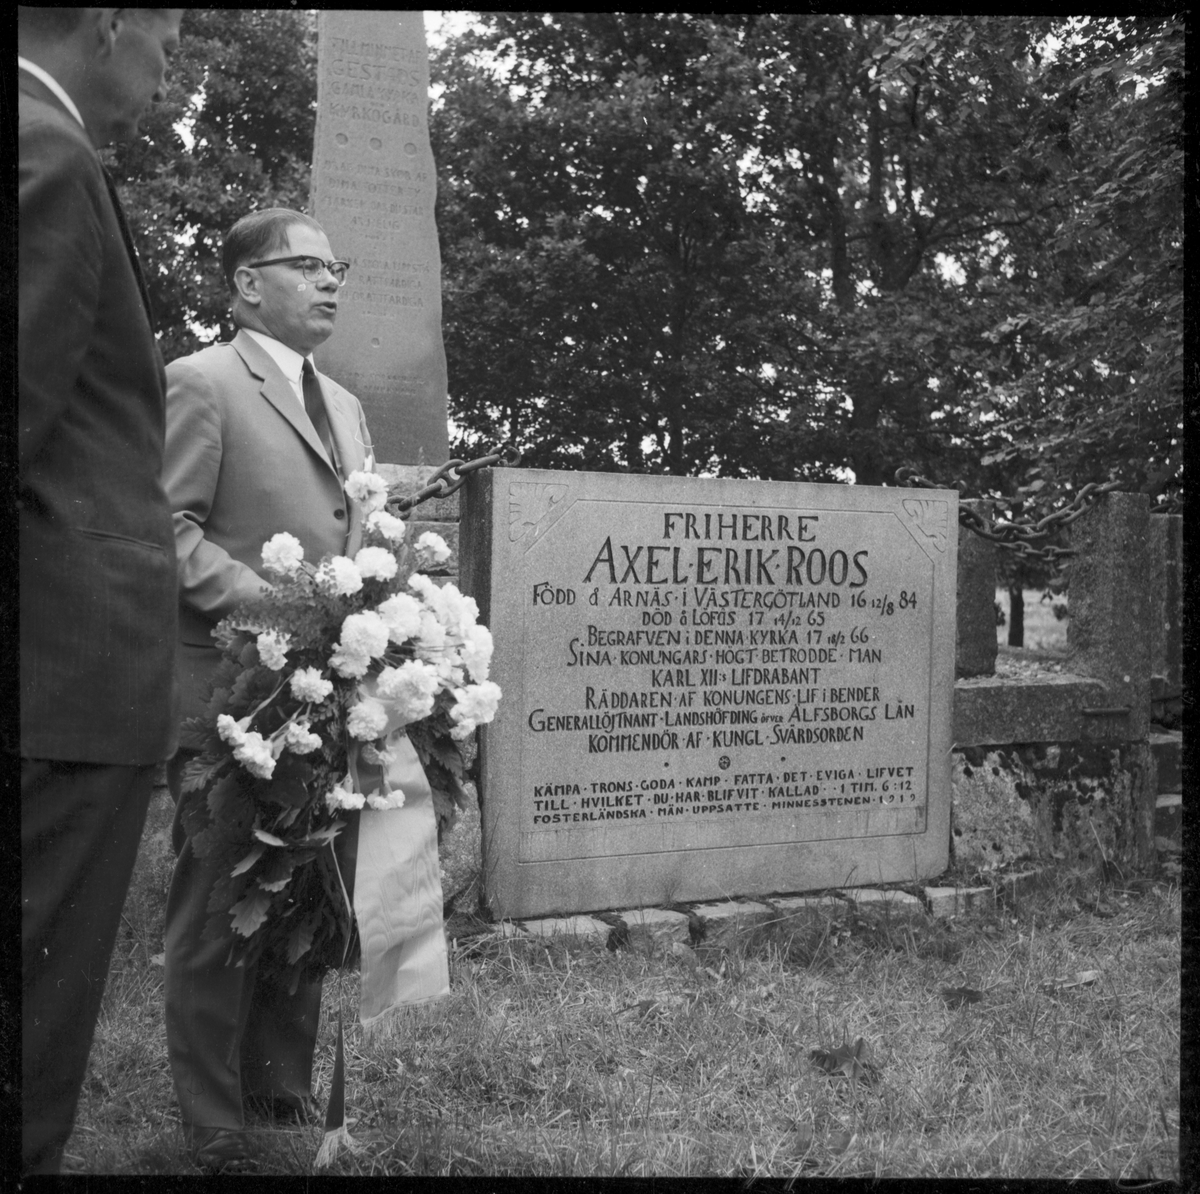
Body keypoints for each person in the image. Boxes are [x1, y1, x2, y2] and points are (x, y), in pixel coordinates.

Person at [161, 208, 375, 1173]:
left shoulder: (347, 403)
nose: (331, 282)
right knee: (221, 894)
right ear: (248, 283)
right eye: (308, 266)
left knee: (305, 885)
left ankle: (277, 1088)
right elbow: (168, 531)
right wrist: (284, 613)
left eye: (337, 267)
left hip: (325, 691)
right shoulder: (201, 382)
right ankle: (213, 1113)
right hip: (230, 688)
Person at [18, 7, 184, 1176]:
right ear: (113, 24)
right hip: (59, 674)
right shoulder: (46, 150)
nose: (170, 72)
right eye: (171, 40)